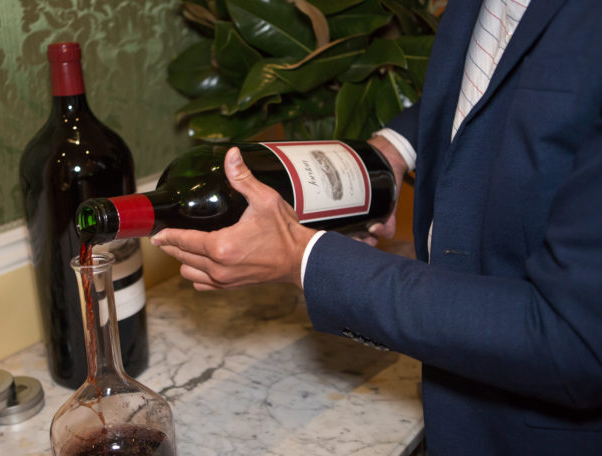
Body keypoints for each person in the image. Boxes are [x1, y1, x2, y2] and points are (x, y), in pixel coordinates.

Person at [151, 0, 602, 454]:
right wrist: (396, 145)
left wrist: (304, 258)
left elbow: (573, 342)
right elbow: (495, 81)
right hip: (453, 402)